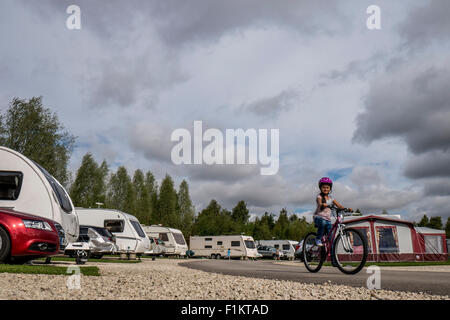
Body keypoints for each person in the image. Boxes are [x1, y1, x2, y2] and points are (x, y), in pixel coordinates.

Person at [314, 177, 352, 247]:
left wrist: (346, 209)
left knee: (331, 239)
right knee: (323, 222)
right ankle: (318, 239)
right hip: (318, 217)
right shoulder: (319, 196)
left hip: (328, 219)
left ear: (330, 189)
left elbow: (339, 206)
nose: (326, 189)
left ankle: (333, 256)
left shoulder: (331, 198)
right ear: (320, 188)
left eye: (327, 187)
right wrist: (323, 204)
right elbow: (319, 203)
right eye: (324, 187)